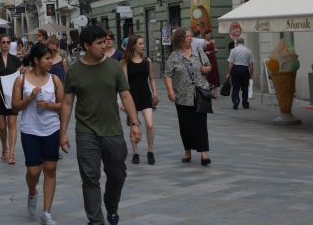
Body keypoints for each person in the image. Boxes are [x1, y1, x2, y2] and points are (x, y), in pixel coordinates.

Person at [60, 25, 141, 225]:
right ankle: (96, 220)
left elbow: (125, 95)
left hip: (112, 131)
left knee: (117, 175)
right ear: (86, 45)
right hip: (86, 132)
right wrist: (63, 133)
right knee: (90, 178)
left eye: (105, 41)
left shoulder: (114, 67)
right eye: (99, 43)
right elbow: (68, 103)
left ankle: (111, 207)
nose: (104, 46)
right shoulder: (75, 71)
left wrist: (135, 123)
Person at [12, 44, 64, 225]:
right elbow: (15, 106)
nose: (51, 62)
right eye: (47, 59)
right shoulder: (21, 80)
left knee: (50, 169)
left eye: (51, 58)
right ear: (36, 60)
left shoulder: (55, 79)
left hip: (51, 129)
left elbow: (64, 105)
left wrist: (49, 105)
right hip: (30, 129)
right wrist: (30, 98)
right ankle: (32, 191)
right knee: (33, 171)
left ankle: (46, 212)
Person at [164, 28, 212, 165]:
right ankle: (187, 151)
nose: (190, 38)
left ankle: (204, 153)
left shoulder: (199, 52)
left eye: (191, 36)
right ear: (180, 39)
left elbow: (209, 66)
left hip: (200, 94)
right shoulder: (174, 56)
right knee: (185, 125)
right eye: (187, 36)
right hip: (182, 96)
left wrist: (206, 69)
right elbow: (168, 75)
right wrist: (170, 91)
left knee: (201, 124)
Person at [120, 35, 158, 165]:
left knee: (150, 124)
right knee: (134, 125)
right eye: (140, 44)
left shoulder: (147, 61)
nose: (143, 46)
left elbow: (152, 78)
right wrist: (123, 102)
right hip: (131, 97)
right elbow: (124, 83)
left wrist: (155, 93)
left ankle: (150, 151)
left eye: (143, 43)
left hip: (146, 95)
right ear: (134, 46)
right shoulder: (126, 62)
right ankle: (135, 152)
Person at [0, 33, 23, 165]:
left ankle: (12, 154)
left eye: (8, 42)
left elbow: (22, 71)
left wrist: (23, 72)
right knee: (2, 126)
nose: (6, 44)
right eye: (3, 42)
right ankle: (4, 147)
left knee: (12, 124)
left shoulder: (15, 59)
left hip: (13, 94)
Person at [226, 38, 254, 110]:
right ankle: (245, 103)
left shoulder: (233, 50)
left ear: (237, 43)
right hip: (245, 70)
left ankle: (236, 100)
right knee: (245, 88)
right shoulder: (248, 51)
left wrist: (228, 73)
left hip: (236, 69)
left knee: (236, 87)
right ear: (243, 42)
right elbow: (251, 64)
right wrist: (251, 74)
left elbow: (231, 63)